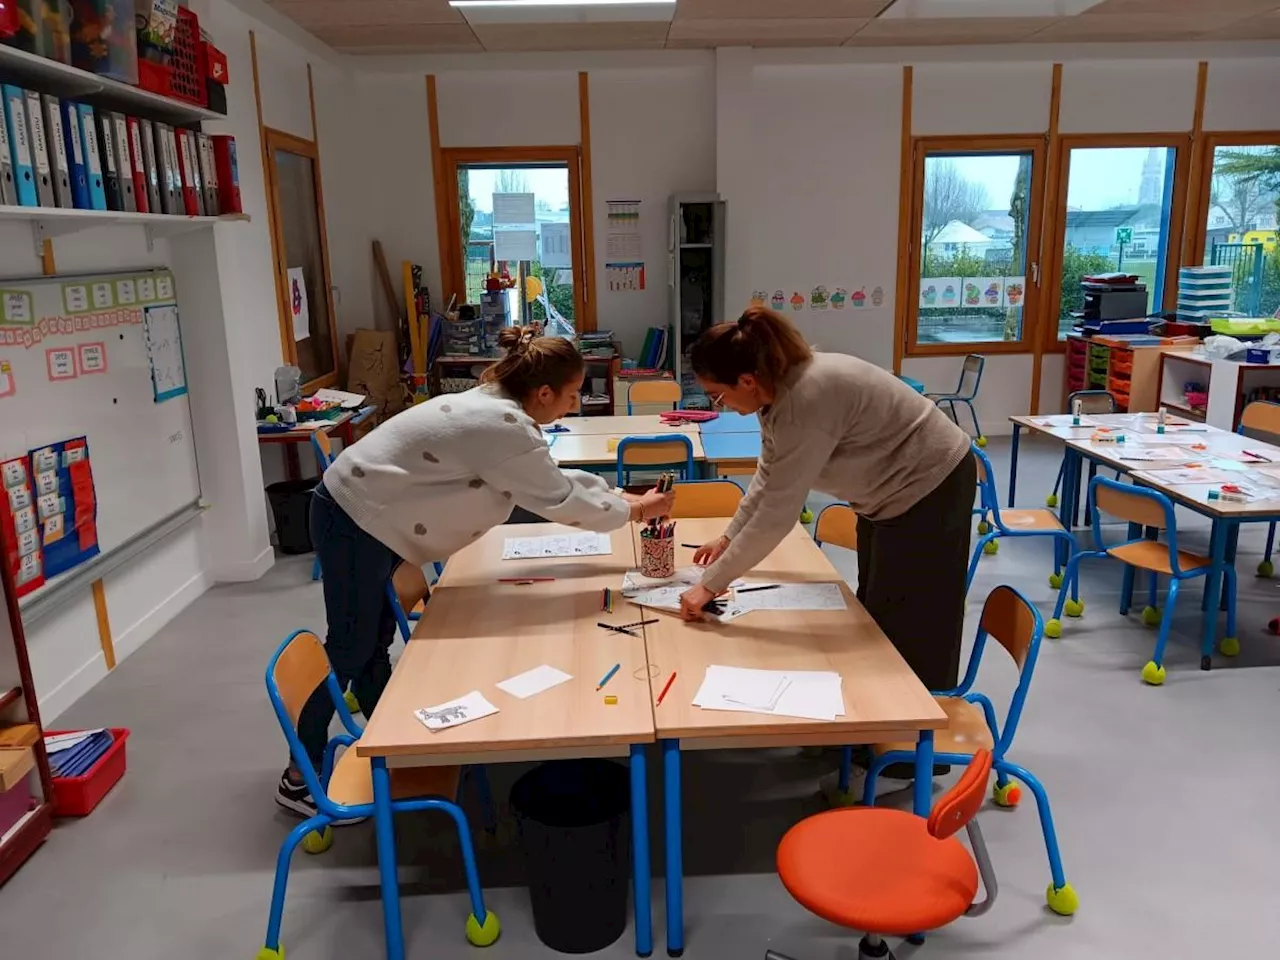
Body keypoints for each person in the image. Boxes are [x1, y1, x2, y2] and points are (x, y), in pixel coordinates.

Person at [276, 327, 676, 817]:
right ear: (544, 392)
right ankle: (299, 774)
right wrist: (632, 511)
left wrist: (622, 499)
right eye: (571, 396)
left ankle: (389, 738)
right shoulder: (504, 428)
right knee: (350, 646)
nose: (573, 406)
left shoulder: (501, 408)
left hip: (371, 513)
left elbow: (547, 478)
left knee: (374, 635)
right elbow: (557, 497)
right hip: (354, 513)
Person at [679, 307, 975, 698]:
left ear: (747, 380)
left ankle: (918, 749)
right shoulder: (774, 393)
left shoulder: (806, 397)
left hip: (930, 486)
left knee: (916, 622)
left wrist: (710, 586)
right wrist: (729, 537)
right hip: (888, 495)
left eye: (719, 394)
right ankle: (875, 722)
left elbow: (778, 514)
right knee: (880, 607)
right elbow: (769, 474)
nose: (720, 404)